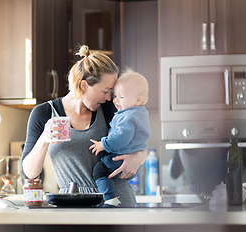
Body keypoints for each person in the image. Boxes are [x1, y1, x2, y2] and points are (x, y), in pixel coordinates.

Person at [21, 45, 147, 207]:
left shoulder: (109, 109)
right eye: (105, 91)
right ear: (84, 86)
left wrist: (139, 157)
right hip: (72, 208)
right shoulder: (44, 113)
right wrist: (44, 139)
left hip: (117, 205)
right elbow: (30, 174)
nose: (110, 98)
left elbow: (140, 139)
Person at [89, 70, 151, 207]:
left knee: (99, 171)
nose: (114, 100)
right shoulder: (140, 113)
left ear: (138, 99)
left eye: (121, 97)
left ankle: (110, 199)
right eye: (114, 95)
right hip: (127, 161)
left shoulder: (128, 116)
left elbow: (120, 138)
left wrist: (102, 145)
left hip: (119, 158)